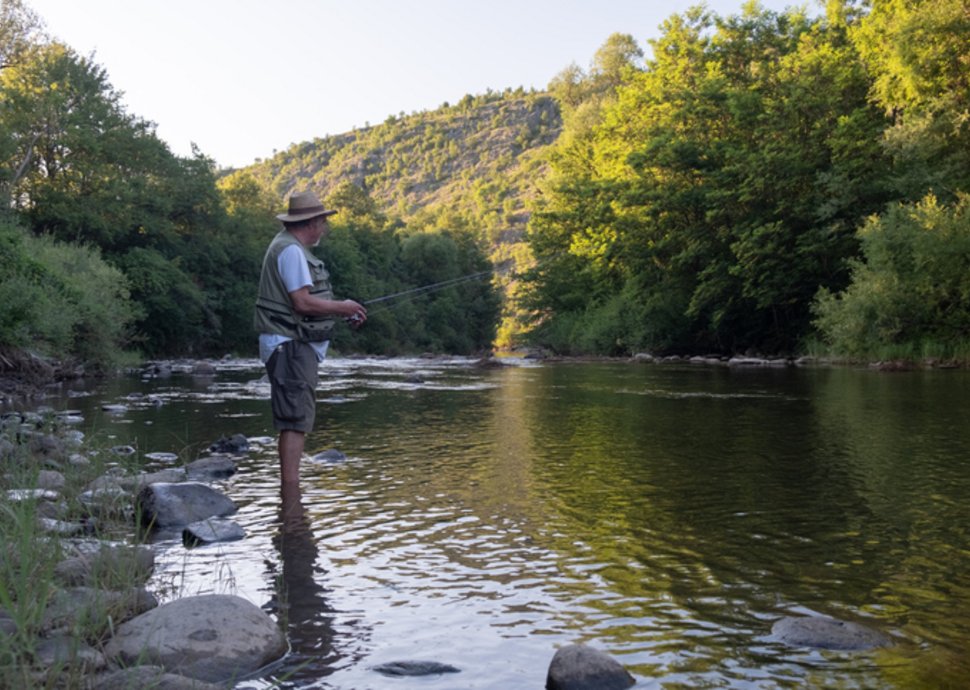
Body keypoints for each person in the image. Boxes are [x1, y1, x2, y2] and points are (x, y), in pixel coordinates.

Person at [254, 190, 367, 487]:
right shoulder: (290, 251)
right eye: (323, 222)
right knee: (294, 421)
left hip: (291, 345)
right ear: (311, 222)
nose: (324, 229)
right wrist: (343, 306)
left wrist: (343, 313)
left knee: (296, 419)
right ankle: (290, 494)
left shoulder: (288, 248)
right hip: (289, 347)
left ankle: (290, 493)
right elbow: (301, 303)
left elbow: (307, 305)